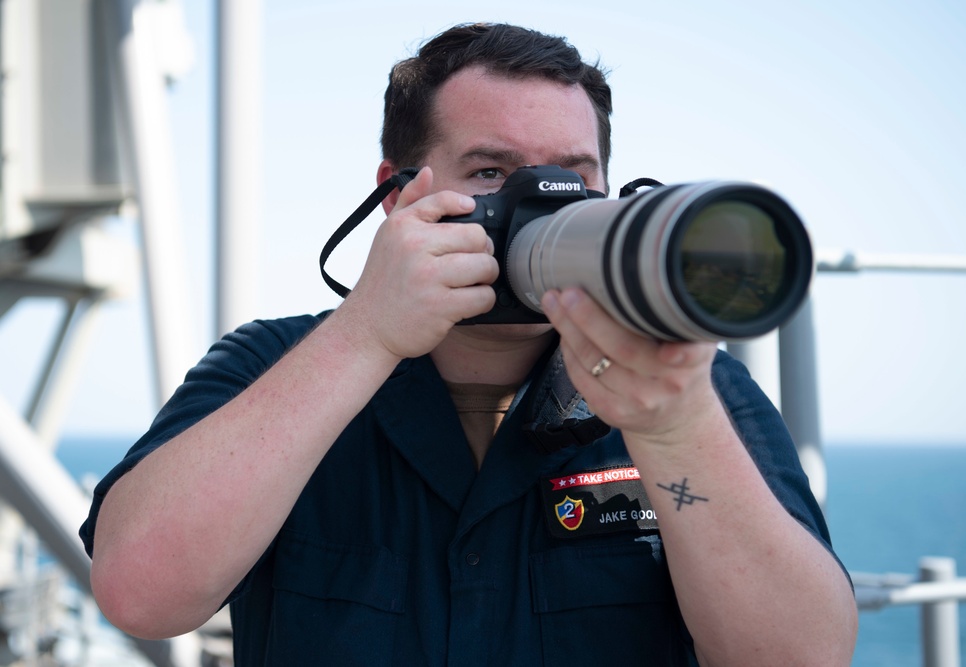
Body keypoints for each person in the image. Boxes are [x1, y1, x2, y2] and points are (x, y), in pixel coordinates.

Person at [81, 22, 857, 666]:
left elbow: (800, 657)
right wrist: (364, 336)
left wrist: (677, 430)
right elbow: (142, 594)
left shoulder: (686, 389)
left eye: (574, 176)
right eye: (493, 171)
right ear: (398, 193)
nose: (544, 204)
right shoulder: (272, 368)